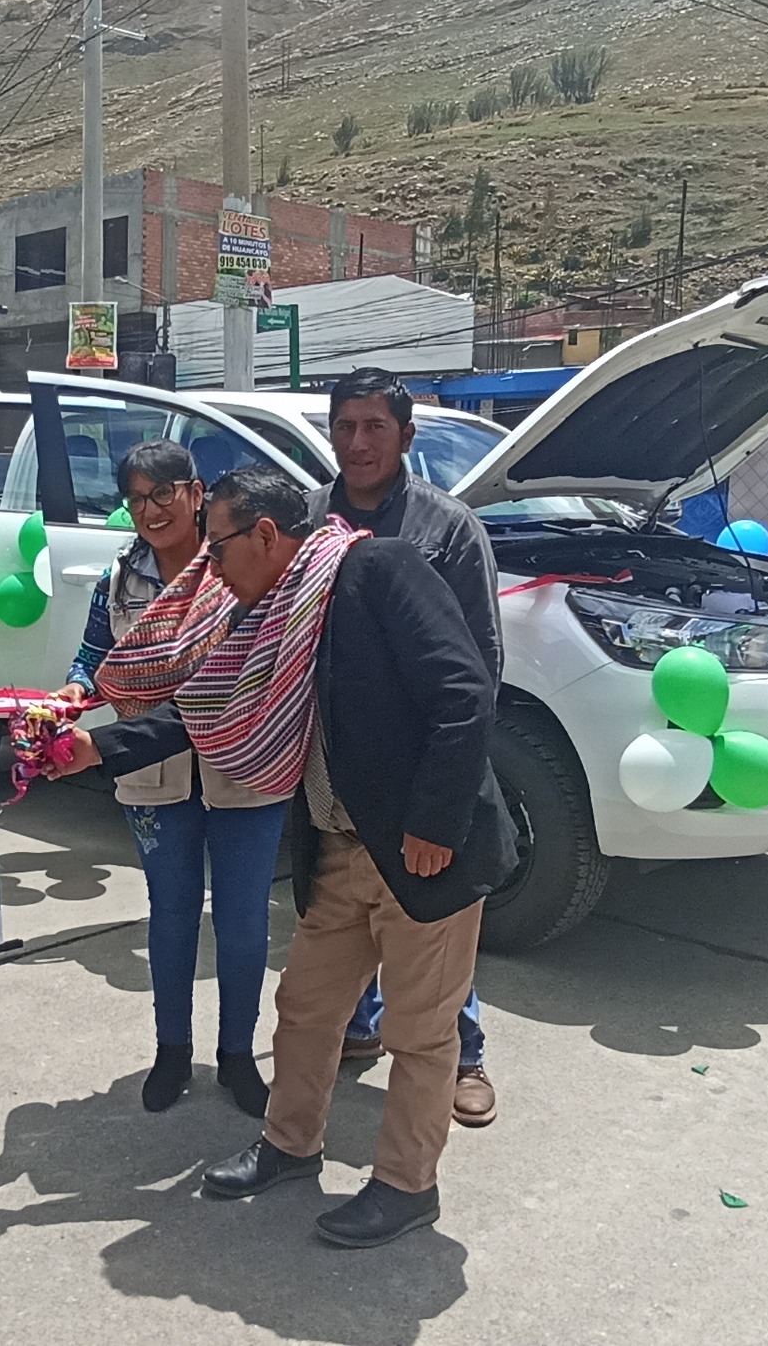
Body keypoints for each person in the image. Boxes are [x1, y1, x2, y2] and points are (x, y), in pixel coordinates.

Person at [57, 466, 517, 1250]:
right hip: (339, 847)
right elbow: (202, 709)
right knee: (304, 1011)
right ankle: (290, 1144)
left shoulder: (378, 570)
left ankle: (407, 1186)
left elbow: (464, 693)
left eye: (220, 550)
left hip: (418, 854)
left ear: (265, 535)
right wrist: (89, 748)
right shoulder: (272, 612)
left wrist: (434, 824)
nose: (211, 571)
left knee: (419, 1033)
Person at [55, 441, 286, 1118]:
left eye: (163, 493)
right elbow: (93, 656)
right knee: (171, 913)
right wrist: (67, 698)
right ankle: (171, 1051)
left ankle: (238, 1056)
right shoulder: (120, 583)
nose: (149, 510)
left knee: (243, 921)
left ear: (196, 492)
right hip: (153, 773)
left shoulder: (238, 568)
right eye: (135, 497)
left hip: (243, 765)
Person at [304, 367, 503, 1129]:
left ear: (405, 437)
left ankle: (465, 1052)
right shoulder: (309, 522)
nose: (357, 442)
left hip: (418, 779)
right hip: (335, 777)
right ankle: (359, 1027)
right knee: (346, 925)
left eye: (374, 427)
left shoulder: (446, 528)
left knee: (432, 926)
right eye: (345, 426)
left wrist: (439, 802)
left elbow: (477, 671)